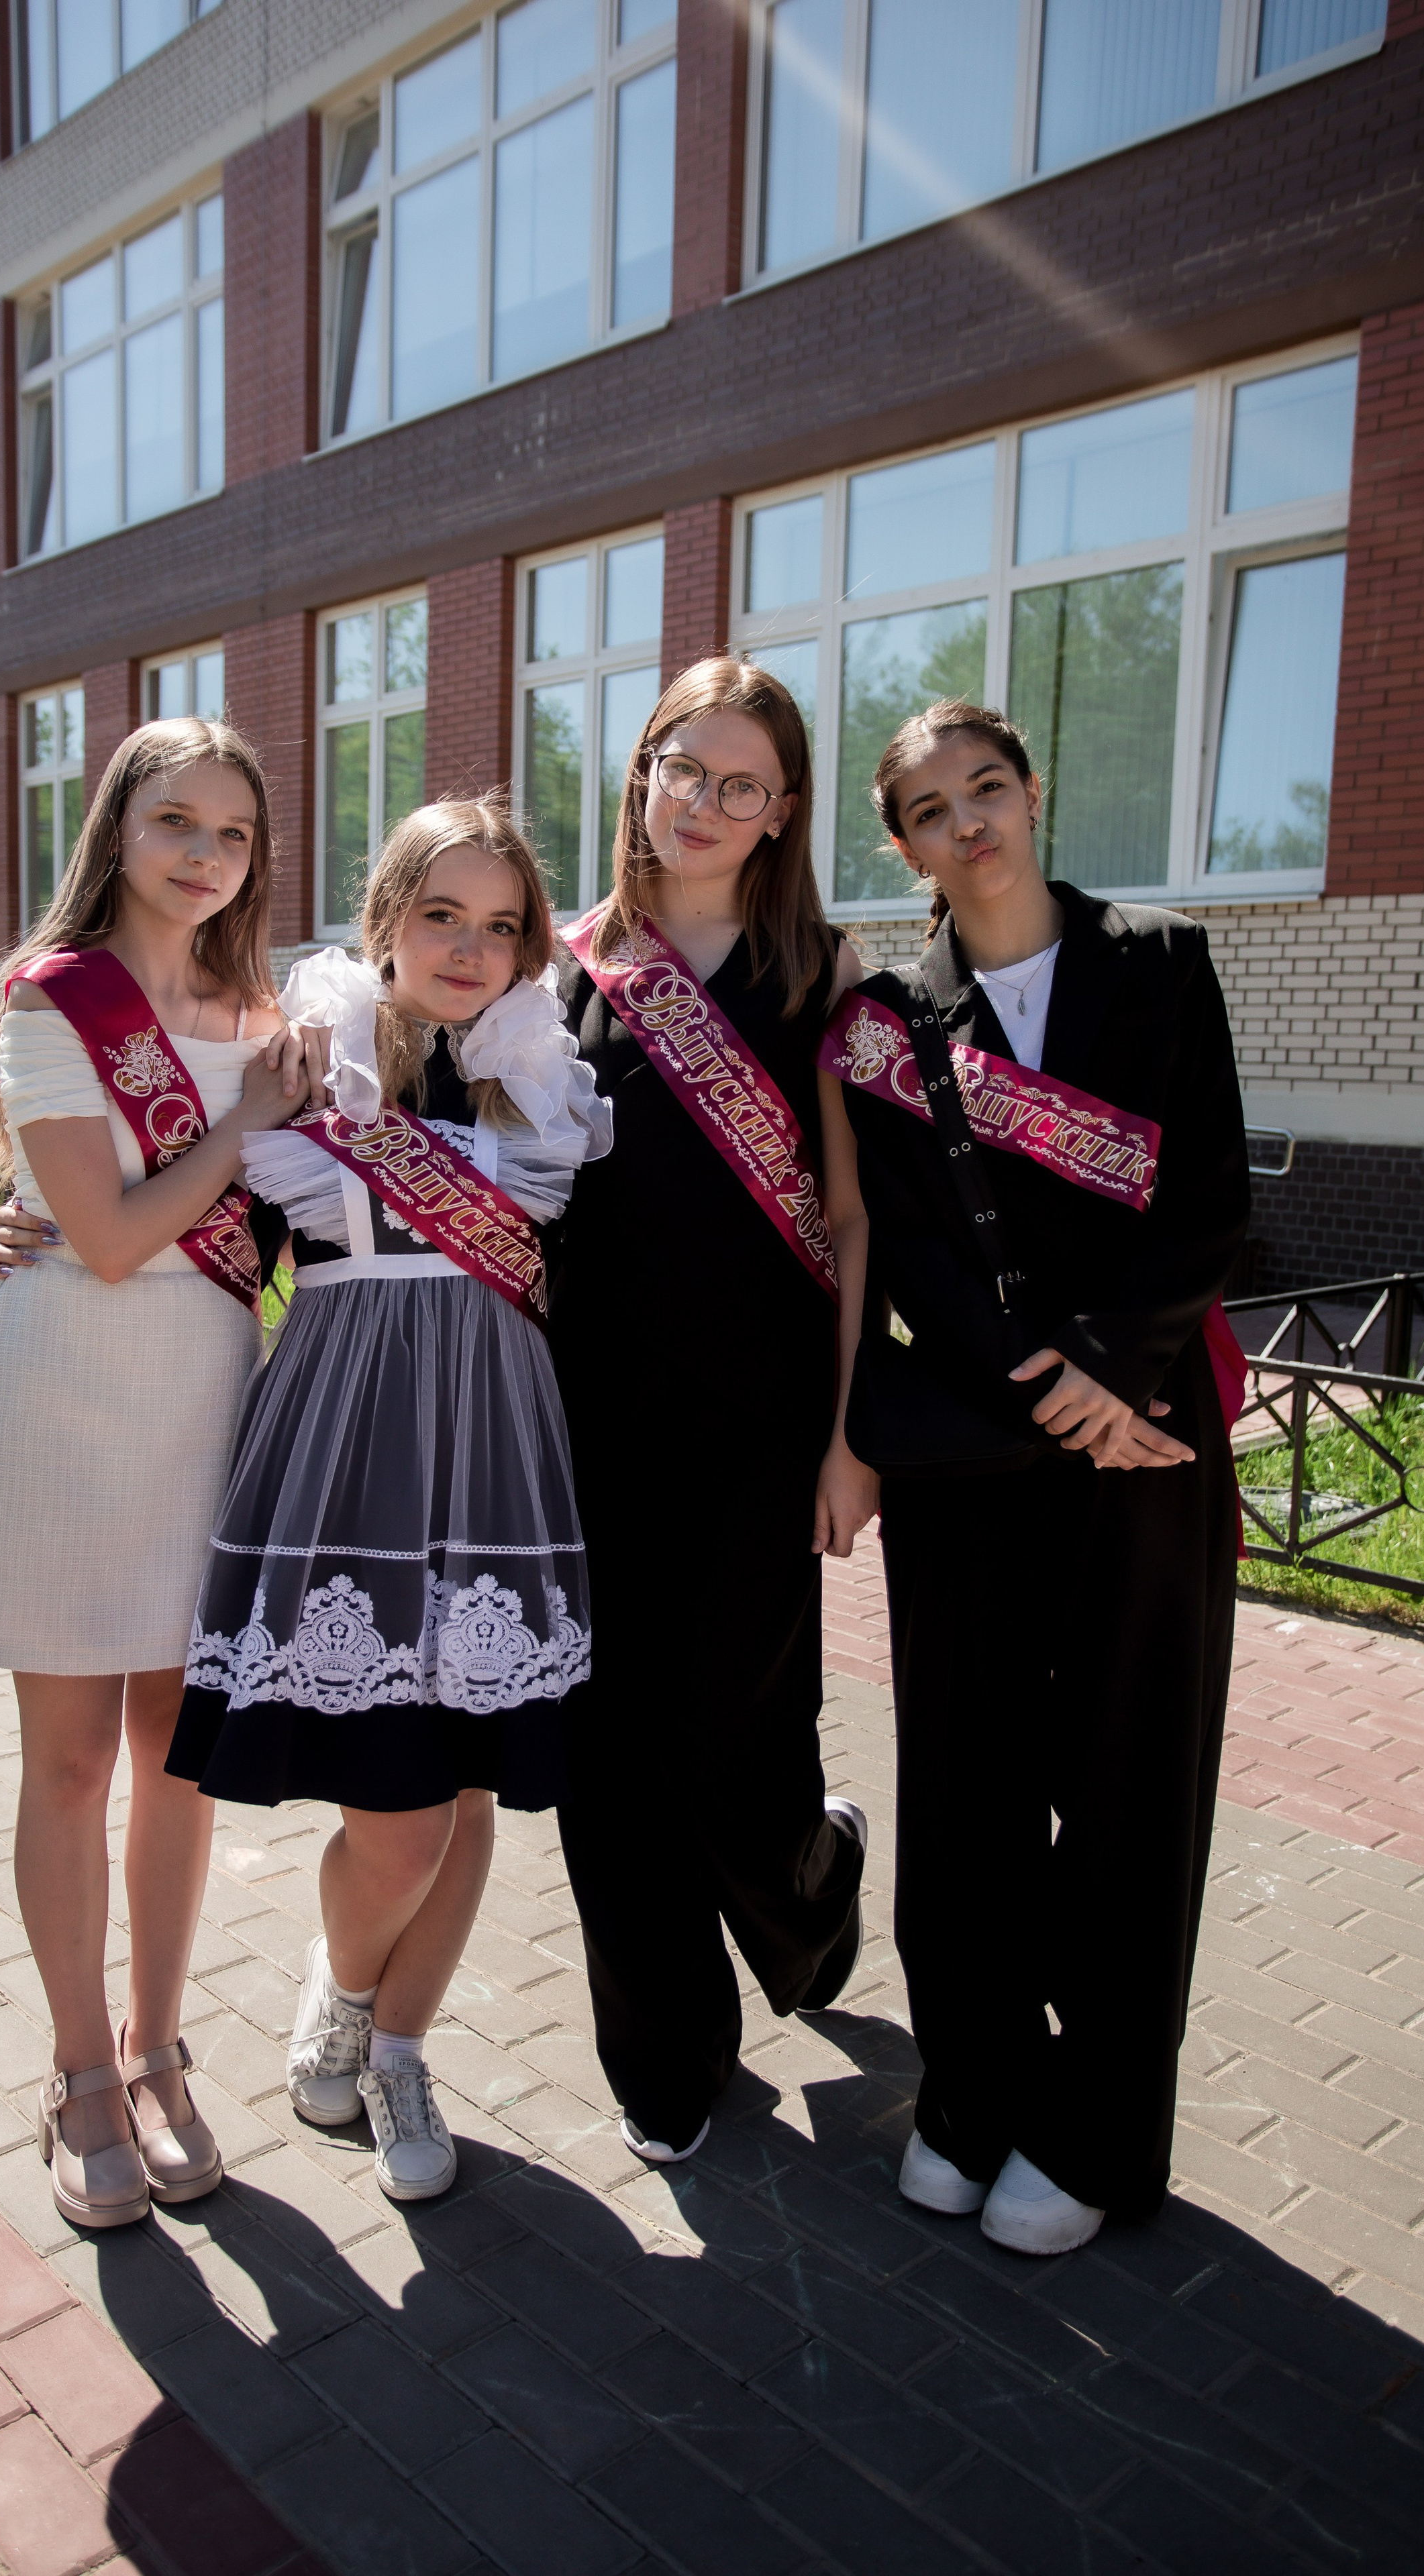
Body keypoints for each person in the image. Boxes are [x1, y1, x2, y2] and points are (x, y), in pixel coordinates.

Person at [821, 696, 1248, 2254]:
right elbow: (905, 1247)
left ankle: (1096, 2136)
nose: (968, 825)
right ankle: (970, 2095)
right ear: (904, 846)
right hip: (972, 1450)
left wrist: (1110, 1370)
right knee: (959, 1784)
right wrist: (1027, 1397)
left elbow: (1203, 1198)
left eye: (985, 789)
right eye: (930, 810)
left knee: (1129, 1786)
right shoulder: (884, 1018)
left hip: (1138, 1440)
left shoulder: (1158, 961)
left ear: (1030, 790)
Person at [165, 800, 611, 2202]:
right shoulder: (308, 1058)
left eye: (501, 927)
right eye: (440, 917)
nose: (470, 949)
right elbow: (200, 1221)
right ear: (384, 920)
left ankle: (403, 2046)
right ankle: (344, 1994)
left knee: (466, 1782)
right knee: (395, 1809)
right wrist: (46, 1225)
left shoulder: (534, 1080)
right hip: (348, 1445)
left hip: (492, 1454)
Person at [0, 716, 320, 2231]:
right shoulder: (57, 999)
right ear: (119, 826)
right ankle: (78, 2070)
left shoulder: (270, 1016)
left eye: (230, 834)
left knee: (178, 1753)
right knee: (69, 1762)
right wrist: (239, 1128)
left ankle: (163, 2053)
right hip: (60, 1399)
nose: (202, 858)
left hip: (205, 1400)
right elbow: (99, 1239)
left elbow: (298, 1211)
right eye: (175, 823)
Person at [549, 656, 878, 2166]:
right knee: (605, 1753)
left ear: (781, 812)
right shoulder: (559, 968)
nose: (701, 802)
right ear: (642, 769)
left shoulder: (823, 979)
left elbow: (856, 1224)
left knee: (738, 1743)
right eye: (683, 767)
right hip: (574, 1428)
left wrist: (846, 1434)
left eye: (738, 784)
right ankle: (664, 2059)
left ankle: (810, 1895)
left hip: (756, 1431)